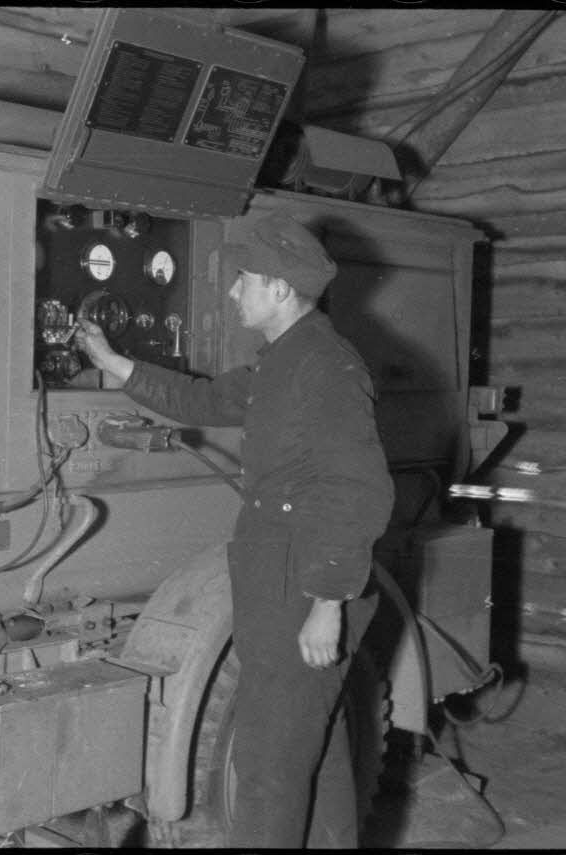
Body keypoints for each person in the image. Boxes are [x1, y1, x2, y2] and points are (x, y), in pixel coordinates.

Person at [75, 211, 394, 848]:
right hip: (280, 578)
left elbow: (358, 489)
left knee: (267, 770)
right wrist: (114, 363)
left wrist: (327, 603)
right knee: (319, 753)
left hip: (303, 585)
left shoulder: (326, 368)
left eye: (243, 278)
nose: (231, 291)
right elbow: (201, 401)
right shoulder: (284, 360)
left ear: (279, 288)